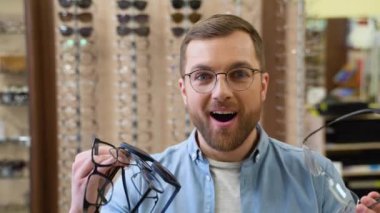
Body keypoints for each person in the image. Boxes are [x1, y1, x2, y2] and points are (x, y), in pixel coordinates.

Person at [70, 14, 380, 213]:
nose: (221, 92)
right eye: (203, 76)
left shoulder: (317, 177)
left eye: (239, 73)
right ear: (183, 90)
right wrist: (80, 206)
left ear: (262, 85)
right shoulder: (139, 183)